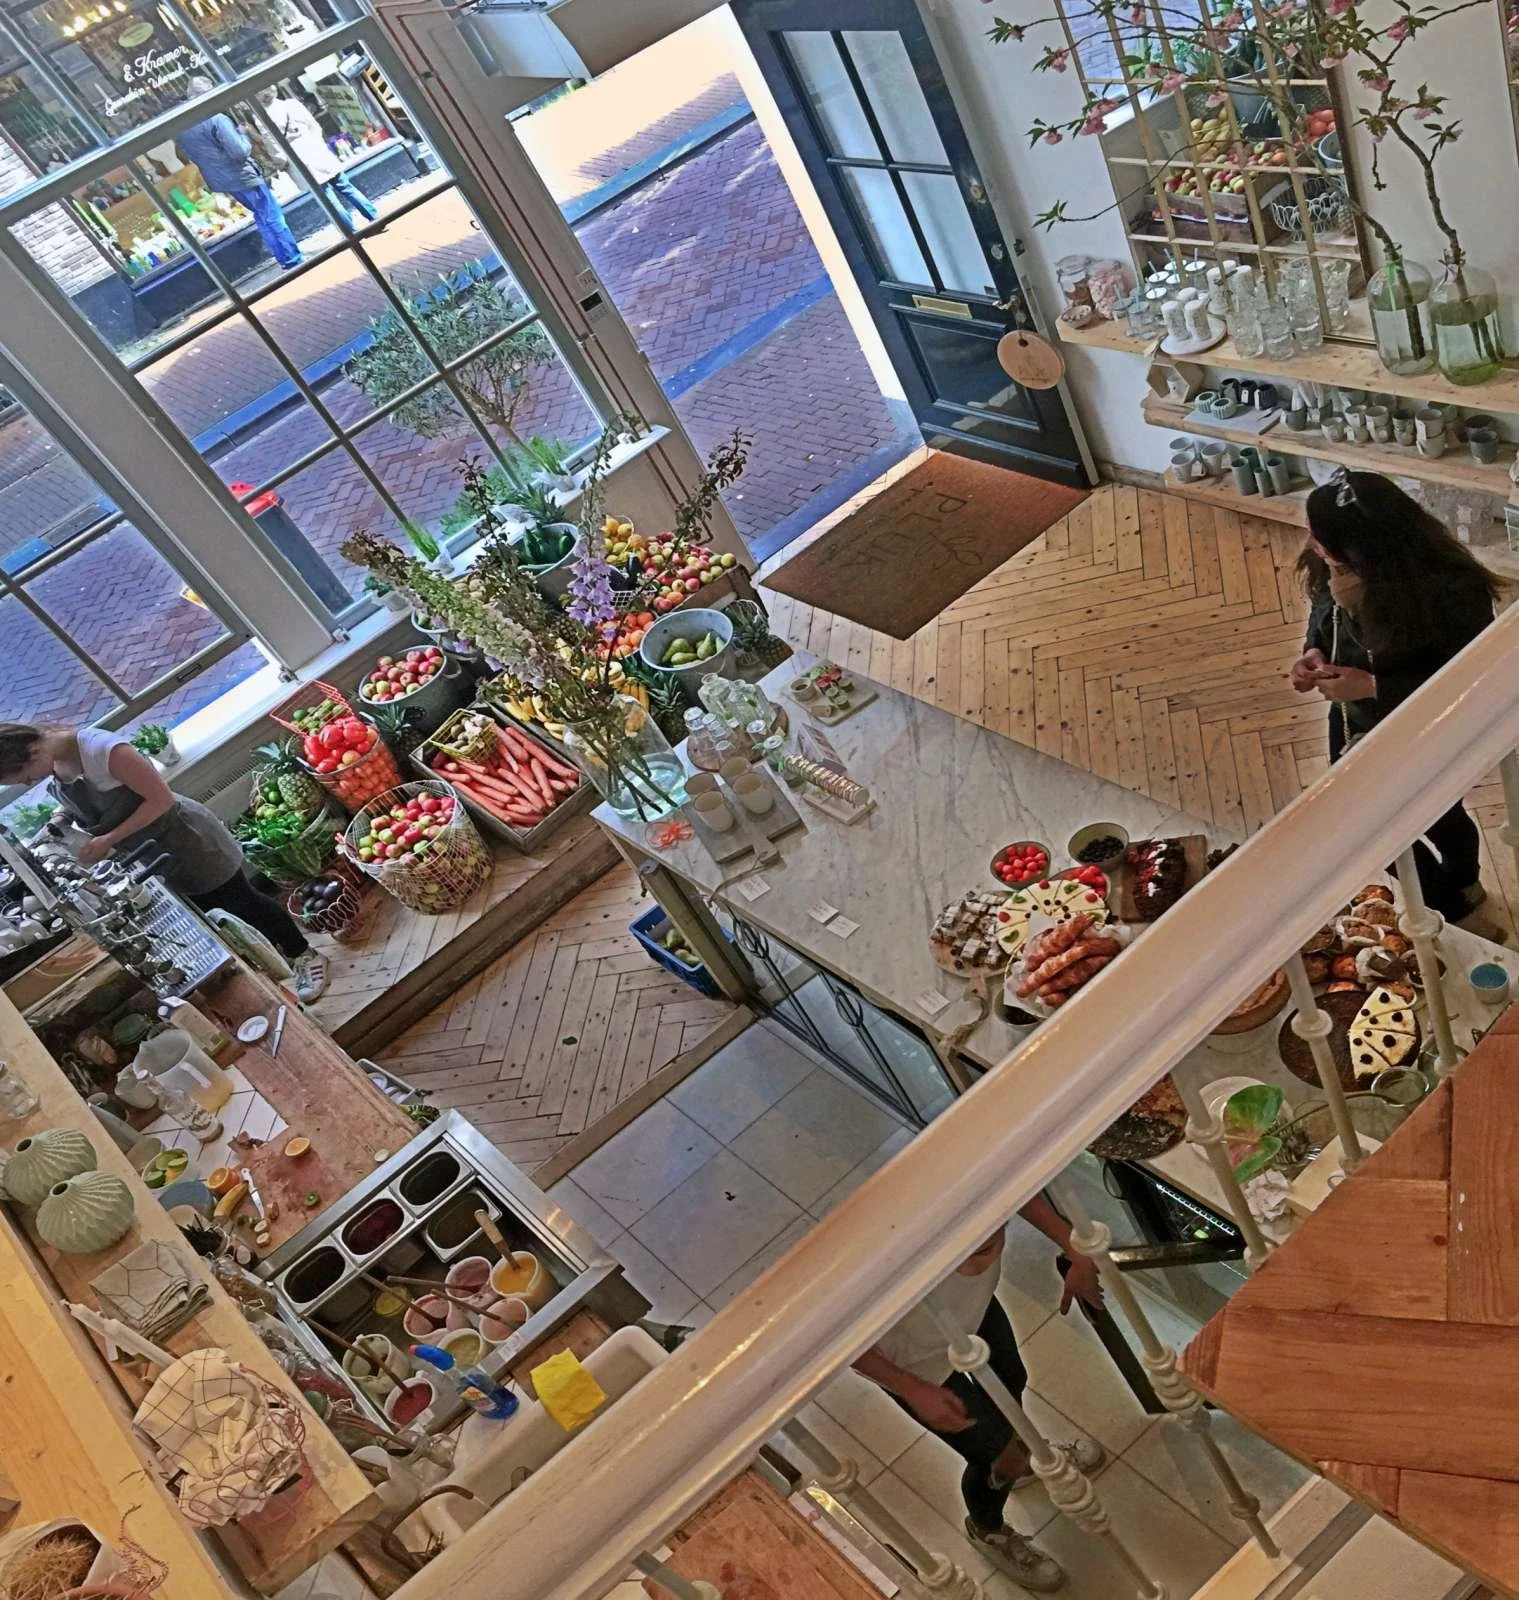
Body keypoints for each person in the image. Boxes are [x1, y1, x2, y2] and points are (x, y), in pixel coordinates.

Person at [853, 1195, 1105, 1591]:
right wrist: (909, 1388)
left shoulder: (976, 1203)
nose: (982, 1244)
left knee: (1011, 1382)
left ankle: (1026, 1454)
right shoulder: (879, 1265)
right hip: (915, 1363)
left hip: (973, 1310)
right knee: (993, 1452)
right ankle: (987, 1526)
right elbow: (842, 1341)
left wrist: (1075, 1249)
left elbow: (1019, 1188)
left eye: (992, 1228)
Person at [1289, 469, 1498, 927]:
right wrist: (1312, 651)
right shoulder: (1331, 565)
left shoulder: (1452, 591)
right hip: (1353, 719)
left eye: (1322, 540)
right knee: (1370, 826)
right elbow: (1320, 615)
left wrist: (1373, 686)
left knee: (1441, 812)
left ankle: (1462, 886)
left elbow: (1467, 680)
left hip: (1423, 726)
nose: (1312, 544)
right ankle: (1446, 897)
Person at [0, 723, 328, 1003]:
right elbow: (79, 801)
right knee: (218, 916)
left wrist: (106, 841)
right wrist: (59, 819)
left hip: (189, 842)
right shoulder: (58, 760)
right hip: (154, 851)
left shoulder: (105, 750)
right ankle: (275, 959)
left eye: (24, 777)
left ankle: (305, 954)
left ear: (31, 751)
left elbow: (161, 800)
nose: (29, 784)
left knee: (244, 903)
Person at [175, 77, 303, 271]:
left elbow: (189, 153)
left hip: (220, 179)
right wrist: (242, 133)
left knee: (261, 216)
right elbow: (240, 152)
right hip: (241, 175)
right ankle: (292, 258)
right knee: (271, 215)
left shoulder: (182, 127)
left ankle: (284, 258)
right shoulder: (217, 119)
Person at [258, 86, 382, 232]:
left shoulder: (263, 120)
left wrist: (282, 165)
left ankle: (350, 231)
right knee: (345, 186)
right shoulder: (292, 104)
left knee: (328, 198)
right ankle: (373, 217)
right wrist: (319, 144)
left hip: (298, 159)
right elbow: (314, 126)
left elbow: (275, 148)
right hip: (316, 149)